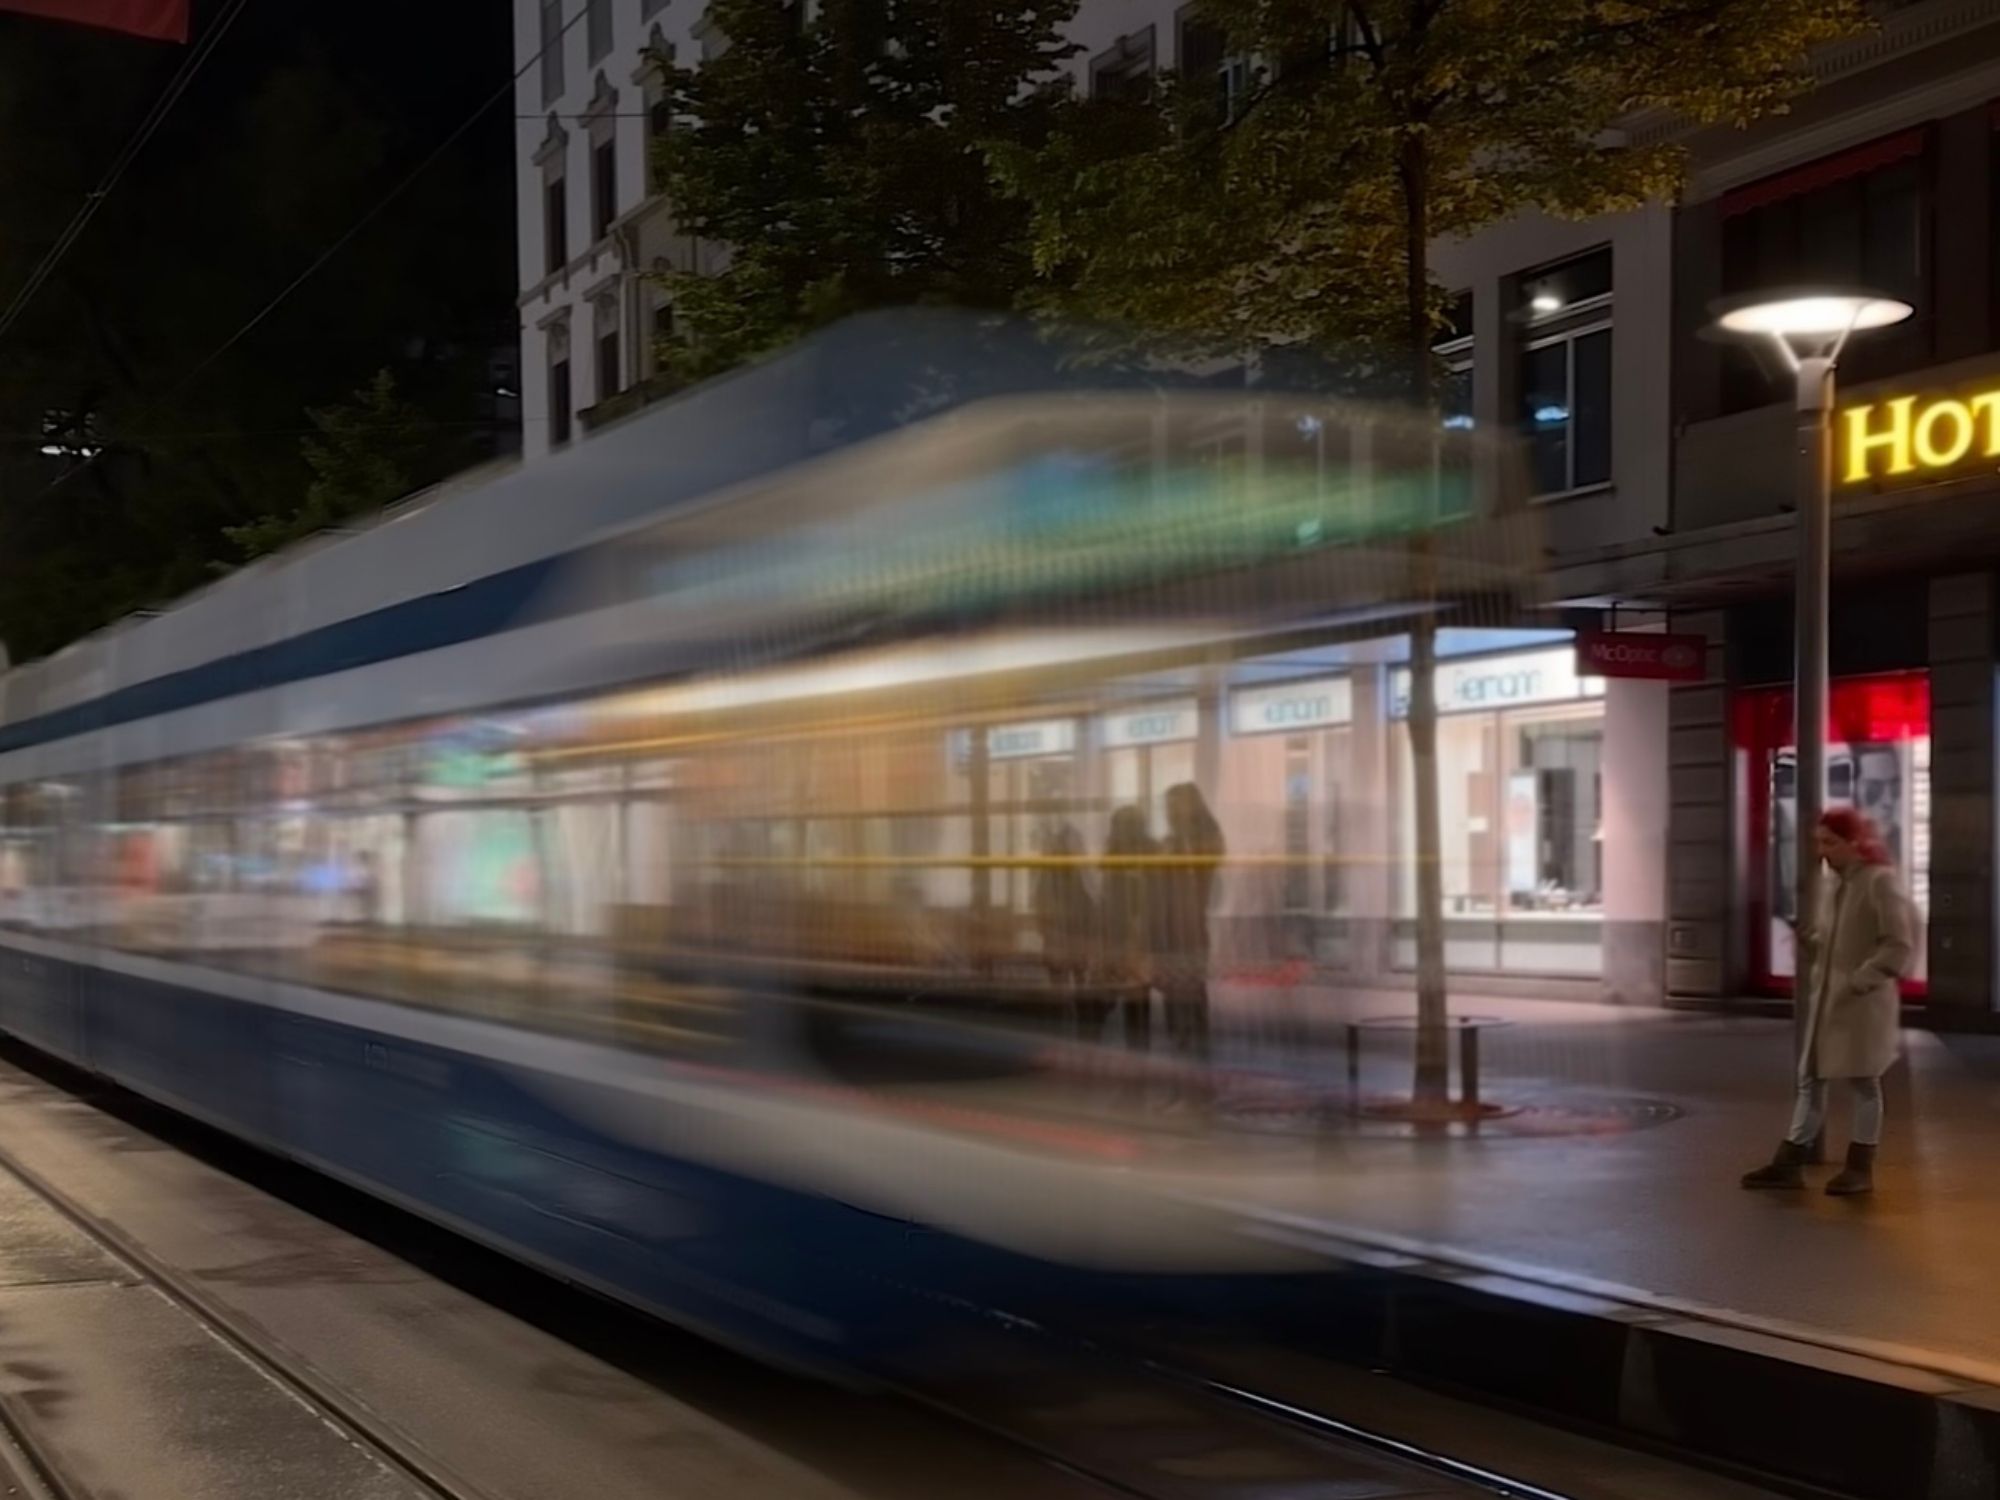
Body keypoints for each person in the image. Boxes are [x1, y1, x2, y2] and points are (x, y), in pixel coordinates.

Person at [1742, 807, 1914, 1197]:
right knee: (1811, 1077)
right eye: (1819, 842)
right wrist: (1811, 942)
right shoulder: (1834, 884)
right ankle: (1789, 1162)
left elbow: (1898, 945)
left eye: (1830, 842)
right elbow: (1833, 943)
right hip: (1829, 1001)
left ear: (1855, 843)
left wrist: (1860, 980)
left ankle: (1859, 1167)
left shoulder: (1879, 882)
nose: (1822, 851)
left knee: (1864, 1081)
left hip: (1861, 1003)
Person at [1158, 783, 1224, 1062]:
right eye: (1168, 806)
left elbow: (1206, 873)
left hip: (1192, 920)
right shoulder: (1172, 840)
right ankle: (1180, 1037)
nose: (1170, 812)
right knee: (1173, 982)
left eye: (1176, 805)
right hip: (1172, 920)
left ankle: (1194, 1036)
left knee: (1192, 982)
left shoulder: (1205, 838)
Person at [1098, 805, 1158, 1052]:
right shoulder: (1142, 851)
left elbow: (1115, 897)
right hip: (1128, 931)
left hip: (1126, 931)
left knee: (1126, 991)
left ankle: (1135, 1044)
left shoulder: (1120, 852)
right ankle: (1138, 1046)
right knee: (1134, 993)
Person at [1031, 822, 1100, 1035]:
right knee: (1074, 988)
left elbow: (1040, 909)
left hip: (1066, 941)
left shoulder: (1052, 876)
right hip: (1068, 941)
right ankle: (1077, 1027)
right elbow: (1091, 908)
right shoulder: (1081, 876)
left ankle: (1067, 1025)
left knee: (1065, 989)